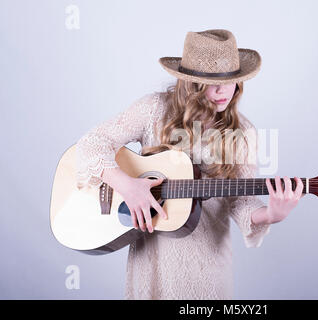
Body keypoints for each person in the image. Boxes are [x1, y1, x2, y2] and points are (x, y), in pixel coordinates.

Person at [75, 29, 304, 299]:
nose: (222, 91)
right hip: (153, 263)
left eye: (230, 79)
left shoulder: (244, 132)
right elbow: (91, 143)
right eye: (209, 81)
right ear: (189, 82)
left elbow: (241, 202)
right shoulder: (154, 109)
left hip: (208, 266)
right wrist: (127, 186)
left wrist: (271, 215)